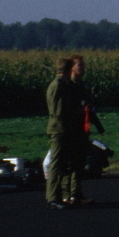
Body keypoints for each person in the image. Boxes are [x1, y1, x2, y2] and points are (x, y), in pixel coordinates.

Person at [45, 58, 82, 209]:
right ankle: (53, 197)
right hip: (60, 130)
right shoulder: (58, 86)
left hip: (64, 129)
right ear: (68, 70)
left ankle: (64, 195)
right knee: (56, 164)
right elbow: (58, 112)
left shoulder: (64, 85)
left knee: (65, 164)